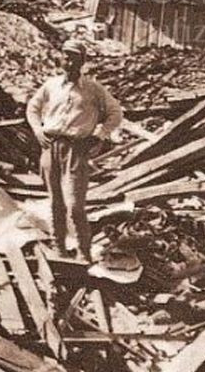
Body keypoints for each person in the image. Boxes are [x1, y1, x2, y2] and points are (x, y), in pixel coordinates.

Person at [26, 40, 122, 262]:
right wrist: (37, 130)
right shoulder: (51, 86)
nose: (68, 62)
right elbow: (32, 108)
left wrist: (100, 135)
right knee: (55, 203)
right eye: (65, 57)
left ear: (82, 62)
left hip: (76, 149)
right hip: (50, 146)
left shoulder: (93, 89)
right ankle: (58, 248)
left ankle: (83, 252)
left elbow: (115, 113)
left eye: (73, 58)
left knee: (75, 206)